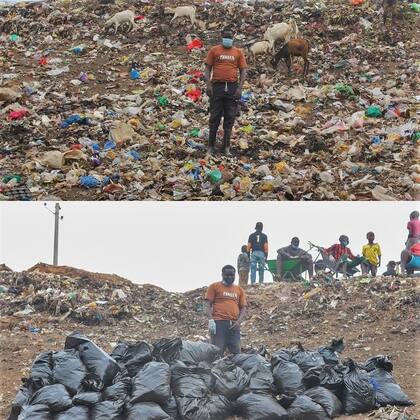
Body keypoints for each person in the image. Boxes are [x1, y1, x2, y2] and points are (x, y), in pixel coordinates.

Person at [204, 27, 247, 156]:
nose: (227, 39)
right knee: (214, 117)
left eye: (230, 37)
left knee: (230, 117)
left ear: (233, 38)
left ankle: (226, 147)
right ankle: (211, 146)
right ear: (221, 37)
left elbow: (243, 70)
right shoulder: (214, 51)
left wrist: (240, 88)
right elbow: (207, 68)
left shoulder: (238, 52)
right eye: (225, 37)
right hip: (217, 87)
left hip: (232, 88)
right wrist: (208, 85)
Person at [205, 265, 247, 355]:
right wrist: (211, 320)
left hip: (234, 324)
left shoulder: (239, 290)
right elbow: (207, 304)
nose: (230, 277)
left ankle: (236, 369)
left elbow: (243, 307)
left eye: (232, 275)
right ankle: (214, 369)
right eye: (227, 275)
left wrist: (238, 322)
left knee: (236, 353)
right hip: (219, 323)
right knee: (217, 351)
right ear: (222, 274)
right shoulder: (214, 286)